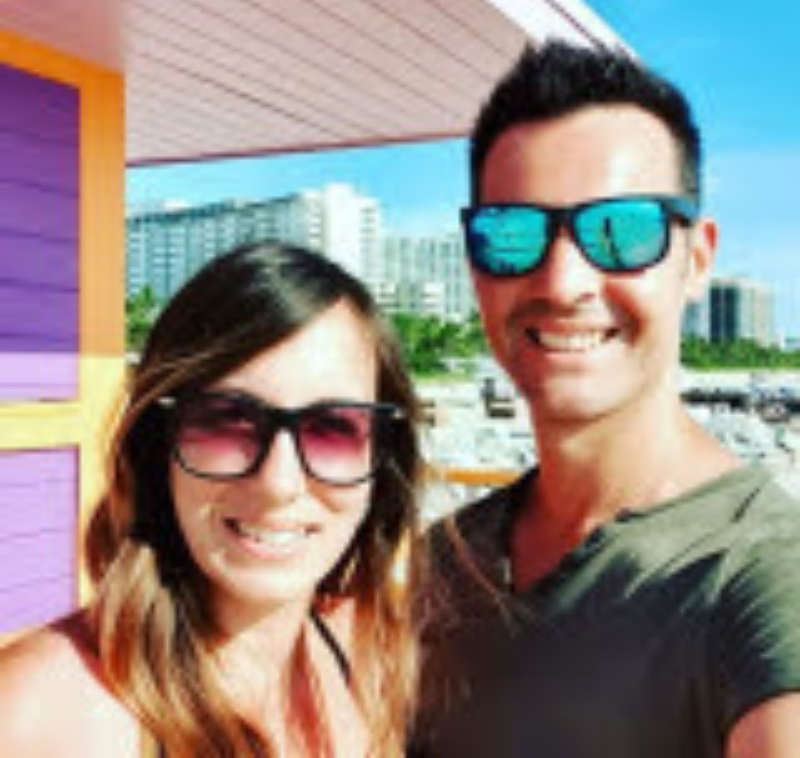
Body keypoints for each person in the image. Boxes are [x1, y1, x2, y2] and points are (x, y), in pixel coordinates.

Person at [413, 40, 800, 757]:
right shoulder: (439, 568)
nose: (563, 283)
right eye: (514, 234)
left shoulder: (759, 575)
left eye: (623, 232)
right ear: (475, 267)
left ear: (697, 260)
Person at [0, 241, 424, 757]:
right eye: (226, 420)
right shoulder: (43, 717)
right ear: (158, 446)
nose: (278, 483)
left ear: (383, 457)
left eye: (333, 428)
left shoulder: (370, 656)